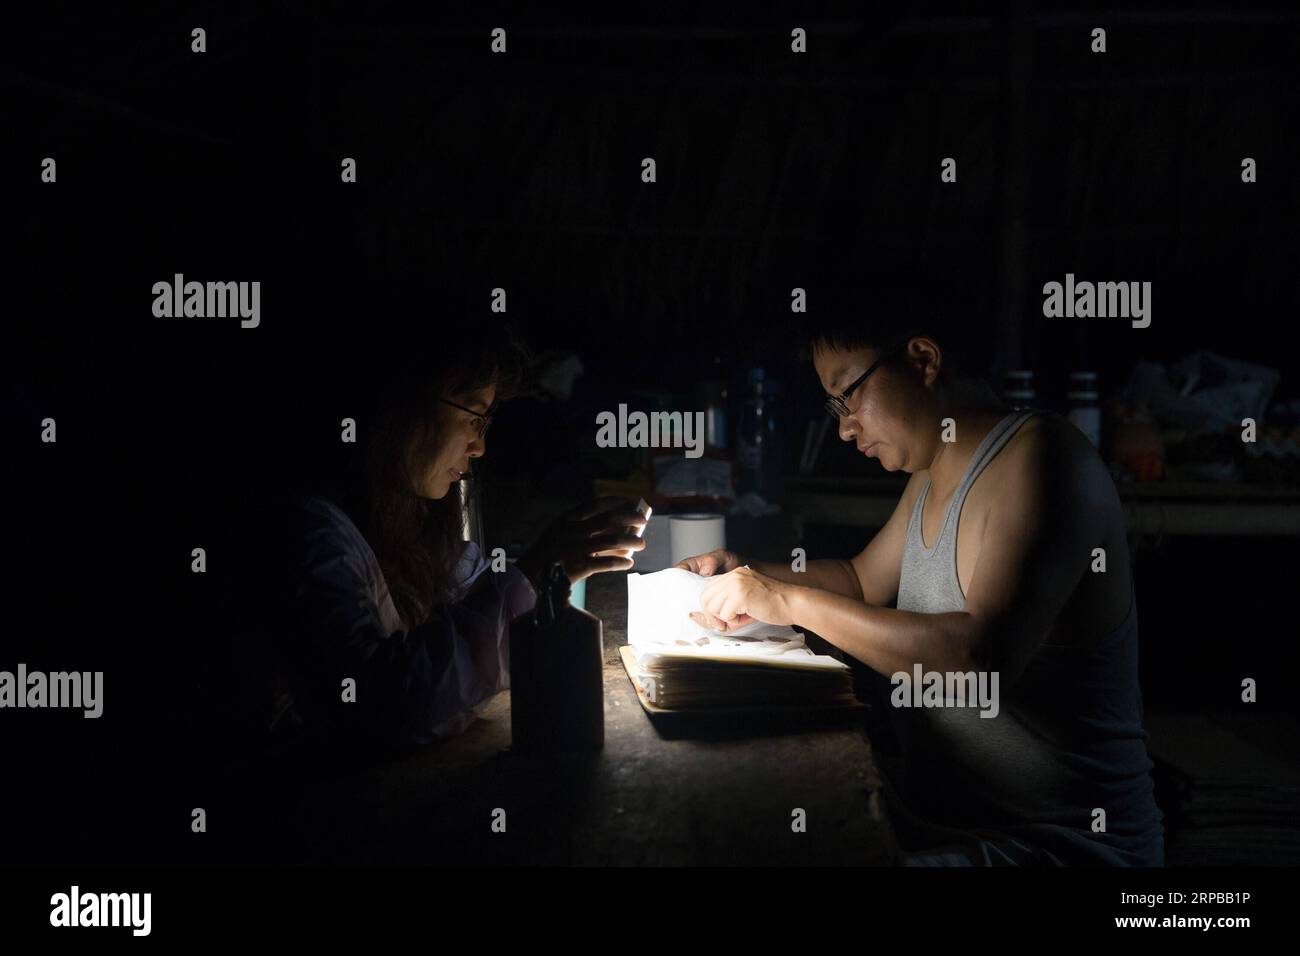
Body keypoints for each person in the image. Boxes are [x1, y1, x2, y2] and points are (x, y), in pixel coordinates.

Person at [678, 317, 1165, 866]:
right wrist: (745, 571)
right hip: (944, 825)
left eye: (848, 396)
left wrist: (785, 599)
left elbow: (975, 662)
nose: (844, 428)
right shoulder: (933, 475)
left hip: (1063, 846)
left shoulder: (1046, 459)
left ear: (923, 360)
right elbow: (863, 581)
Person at [265, 330, 646, 760]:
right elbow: (381, 705)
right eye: (472, 418)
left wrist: (546, 567)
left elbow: (472, 585)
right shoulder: (309, 532)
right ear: (403, 406)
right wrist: (537, 570)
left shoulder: (398, 522)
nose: (479, 446)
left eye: (484, 425)